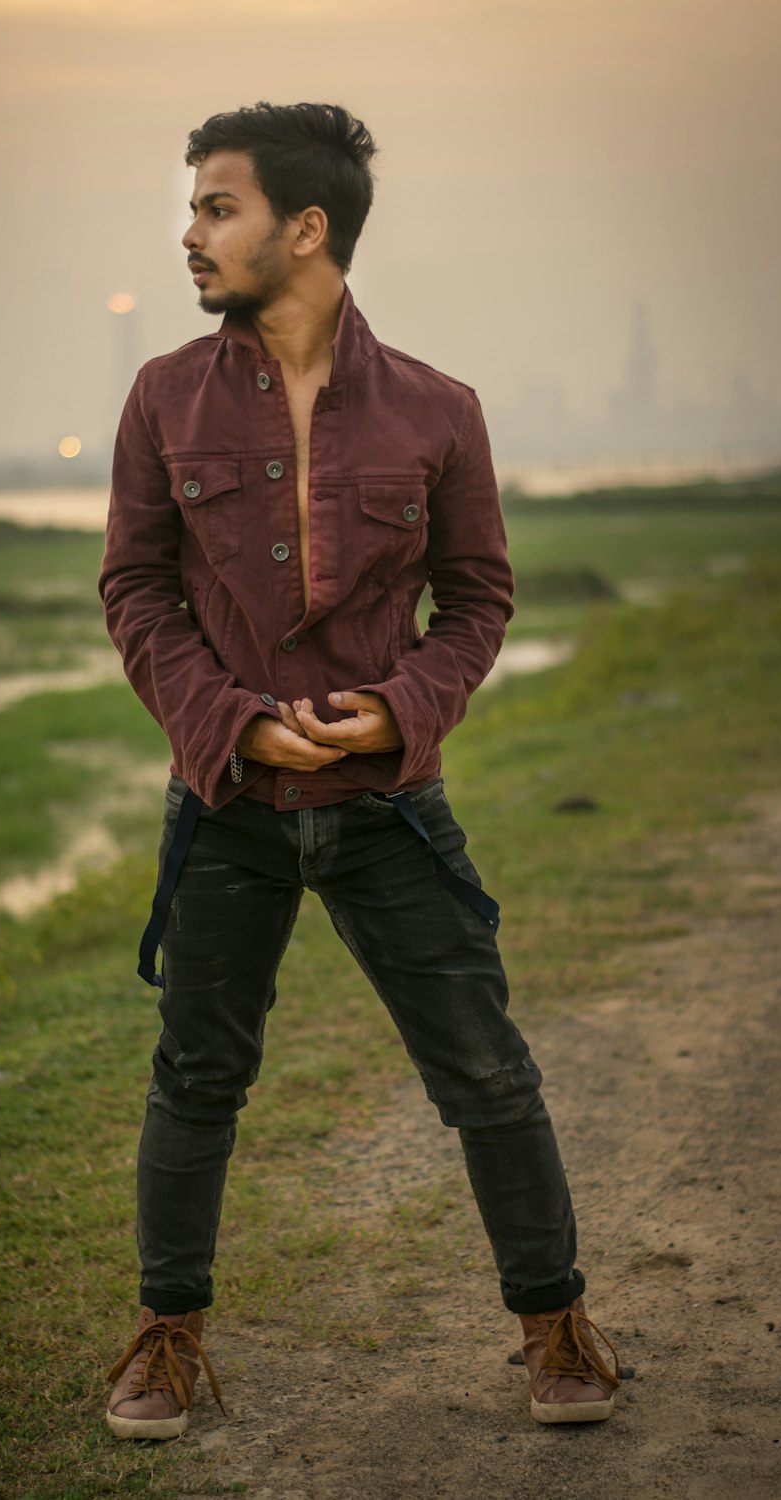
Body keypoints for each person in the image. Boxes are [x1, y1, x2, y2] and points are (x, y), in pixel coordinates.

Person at [99, 101, 619, 1441]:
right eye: (195, 205)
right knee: (197, 1076)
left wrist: (399, 712)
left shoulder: (439, 411)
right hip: (226, 804)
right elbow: (137, 591)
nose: (192, 232)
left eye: (219, 206)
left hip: (391, 809)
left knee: (487, 1075)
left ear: (306, 227)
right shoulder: (164, 396)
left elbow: (482, 599)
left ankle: (555, 1323)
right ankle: (166, 1338)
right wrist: (230, 722)